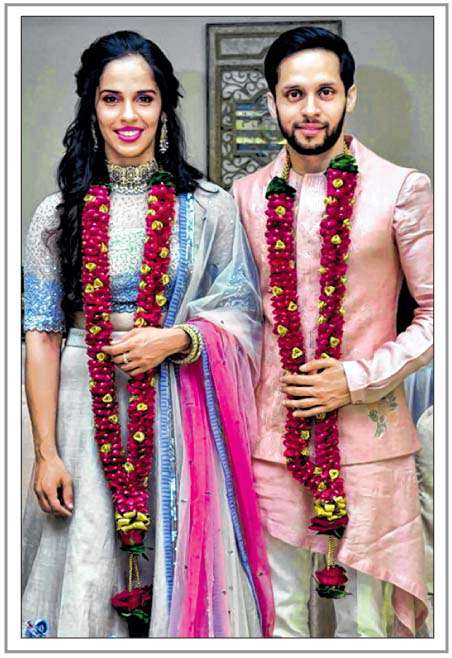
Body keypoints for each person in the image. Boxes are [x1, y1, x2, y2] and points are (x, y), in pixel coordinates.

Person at [22, 30, 274, 638]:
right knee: (84, 556)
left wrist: (178, 340)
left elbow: (242, 310)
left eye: (144, 98)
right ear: (91, 107)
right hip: (82, 405)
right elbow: (42, 333)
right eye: (111, 99)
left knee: (172, 547)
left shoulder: (207, 206)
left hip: (177, 407)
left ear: (164, 106)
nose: (128, 115)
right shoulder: (57, 214)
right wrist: (46, 451)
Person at [232, 26, 433, 638]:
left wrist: (355, 378)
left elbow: (437, 313)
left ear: (351, 96)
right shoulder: (245, 196)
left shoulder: (401, 189)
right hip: (275, 441)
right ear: (273, 102)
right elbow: (240, 315)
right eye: (294, 94)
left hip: (370, 442)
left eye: (326, 91)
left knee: (362, 627)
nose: (310, 109)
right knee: (281, 620)